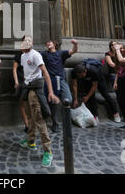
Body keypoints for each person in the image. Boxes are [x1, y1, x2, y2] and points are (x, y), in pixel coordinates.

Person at [18, 36, 60, 168]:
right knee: (30, 116)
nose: (27, 42)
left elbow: (45, 73)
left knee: (39, 119)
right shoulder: (23, 56)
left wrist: (51, 92)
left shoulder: (36, 55)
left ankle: (48, 151)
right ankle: (31, 141)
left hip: (36, 89)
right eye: (25, 40)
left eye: (29, 40)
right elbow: (26, 73)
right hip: (27, 87)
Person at [41, 39, 78, 132]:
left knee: (68, 99)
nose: (48, 43)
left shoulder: (61, 53)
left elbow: (73, 51)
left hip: (61, 79)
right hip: (51, 80)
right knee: (53, 103)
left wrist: (75, 44)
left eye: (50, 42)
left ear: (55, 44)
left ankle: (66, 120)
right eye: (47, 42)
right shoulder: (45, 54)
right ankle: (55, 123)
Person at [13, 39, 29, 133]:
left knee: (31, 104)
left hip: (30, 82)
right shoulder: (18, 55)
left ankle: (31, 124)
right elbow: (14, 69)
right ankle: (27, 124)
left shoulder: (33, 54)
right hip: (21, 81)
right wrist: (16, 82)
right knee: (22, 104)